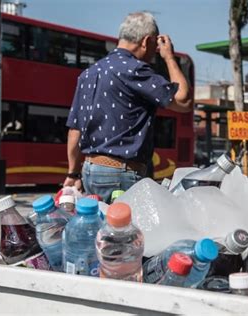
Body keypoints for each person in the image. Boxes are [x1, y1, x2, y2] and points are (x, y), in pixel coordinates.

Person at [63, 12, 192, 202]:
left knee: (101, 229)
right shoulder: (135, 70)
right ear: (146, 41)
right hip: (122, 174)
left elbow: (75, 129)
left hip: (89, 170)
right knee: (130, 231)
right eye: (154, 45)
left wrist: (72, 173)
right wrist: (169, 58)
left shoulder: (89, 73)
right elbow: (184, 101)